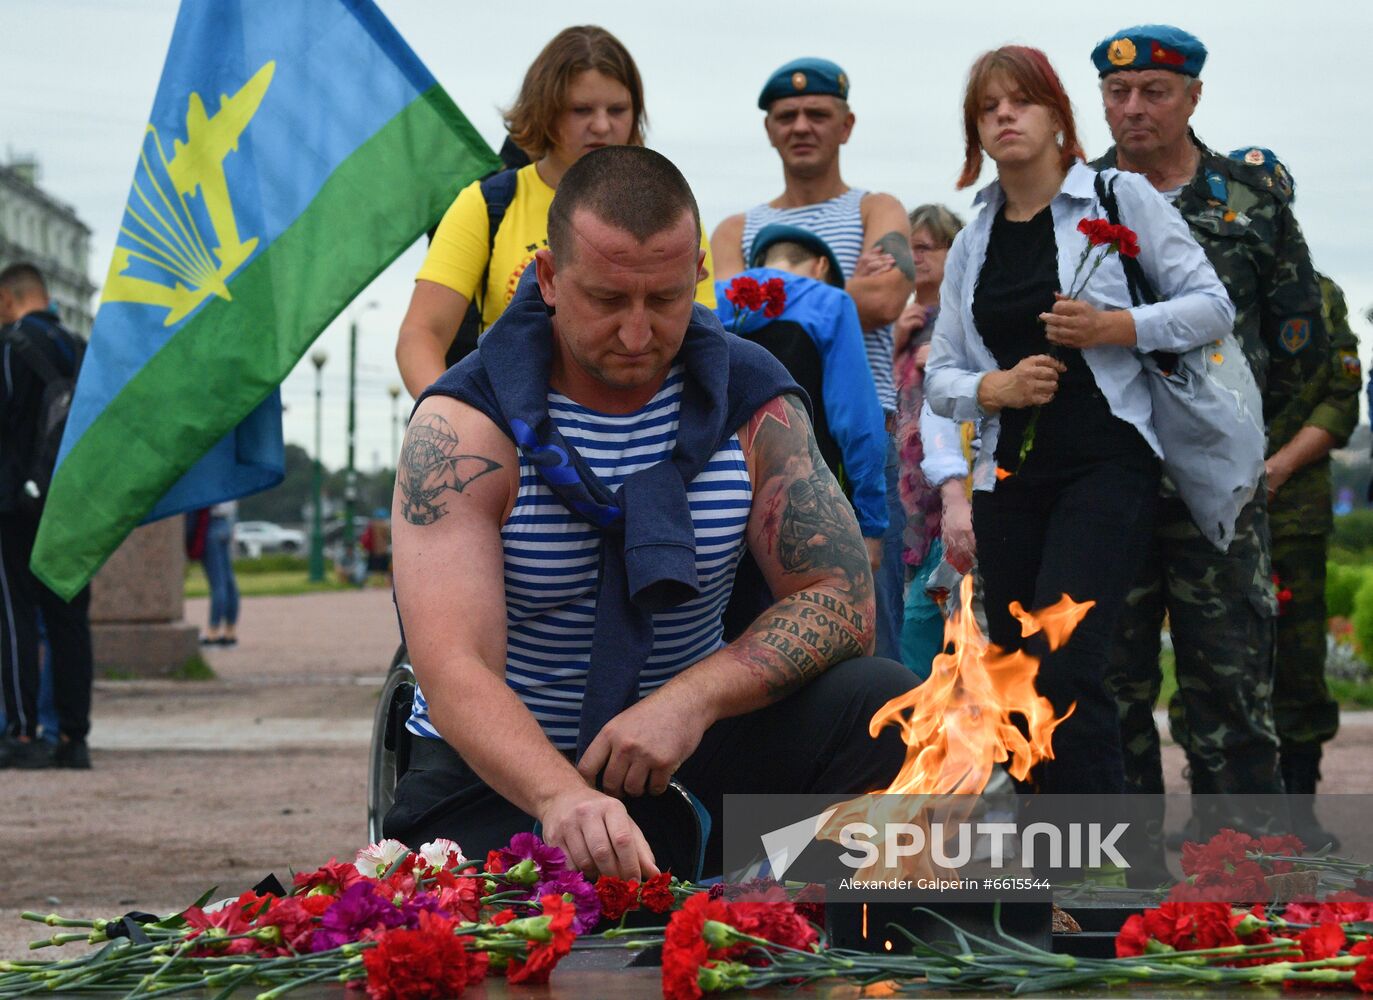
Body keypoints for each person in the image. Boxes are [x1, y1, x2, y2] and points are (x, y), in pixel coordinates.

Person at [383, 146, 914, 878]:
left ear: (698, 272)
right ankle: (704, 892)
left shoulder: (751, 396)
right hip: (502, 779)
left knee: (887, 703)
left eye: (664, 300)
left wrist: (688, 701)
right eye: (606, 300)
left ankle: (771, 908)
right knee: (513, 942)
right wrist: (562, 797)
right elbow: (453, 668)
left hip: (681, 754)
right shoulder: (464, 427)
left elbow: (841, 601)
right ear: (547, 278)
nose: (638, 334)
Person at [925, 46, 1235, 795]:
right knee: (1014, 676)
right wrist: (994, 387)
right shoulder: (974, 237)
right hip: (1006, 475)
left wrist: (1113, 327)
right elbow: (940, 379)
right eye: (987, 107)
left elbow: (1211, 305)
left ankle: (1098, 886)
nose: (1003, 115)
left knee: (1065, 662)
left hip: (1105, 464)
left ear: (1057, 117)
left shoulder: (1115, 197)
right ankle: (1042, 890)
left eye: (1020, 100)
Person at [1089, 26, 1330, 807]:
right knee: (1107, 686)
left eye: (1153, 92)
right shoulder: (1070, 198)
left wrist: (1235, 437)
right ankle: (1116, 878)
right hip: (1105, 482)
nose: (1133, 108)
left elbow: (1301, 349)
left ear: (1193, 96)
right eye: (1117, 93)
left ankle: (1239, 866)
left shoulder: (1248, 205)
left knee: (1229, 684)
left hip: (1216, 495)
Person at [711, 57, 914, 661]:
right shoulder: (733, 228)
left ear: (846, 124)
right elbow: (718, 319)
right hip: (755, 441)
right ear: (769, 129)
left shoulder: (877, 209)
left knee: (872, 620)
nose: (801, 125)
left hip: (863, 441)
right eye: (787, 115)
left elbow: (888, 296)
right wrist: (831, 298)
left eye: (818, 113)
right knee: (754, 621)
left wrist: (773, 293)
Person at [395, 25, 716, 398]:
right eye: (581, 110)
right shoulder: (486, 205)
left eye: (617, 110)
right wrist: (450, 420)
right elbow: (421, 335)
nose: (601, 125)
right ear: (543, 111)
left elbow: (706, 339)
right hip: (513, 430)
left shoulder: (671, 209)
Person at [1226, 148, 1362, 844]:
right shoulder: (1206, 287)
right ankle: (1219, 809)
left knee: (1297, 656)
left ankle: (1298, 808)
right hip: (1210, 506)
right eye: (1244, 202)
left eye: (1266, 202)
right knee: (1217, 658)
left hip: (1292, 510)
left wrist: (1275, 468)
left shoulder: (1322, 294)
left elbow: (1341, 397)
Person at [713, 225, 888, 637]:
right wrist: (872, 522)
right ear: (822, 265)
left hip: (720, 499)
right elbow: (856, 418)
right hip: (805, 501)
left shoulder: (714, 299)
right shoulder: (830, 301)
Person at [0, 263, 93, 769]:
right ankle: (73, 738)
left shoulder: (10, 346)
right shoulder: (79, 348)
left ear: (8, 299)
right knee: (69, 617)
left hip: (15, 501)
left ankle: (21, 730)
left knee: (15, 612)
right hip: (72, 501)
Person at [891, 205, 973, 677]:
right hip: (908, 499)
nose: (913, 257)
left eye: (925, 247)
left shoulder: (963, 319)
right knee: (914, 621)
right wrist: (892, 341)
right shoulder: (896, 322)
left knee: (947, 623)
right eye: (907, 247)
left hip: (955, 496)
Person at [200, 500, 240, 645]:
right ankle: (230, 630)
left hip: (210, 523)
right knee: (228, 581)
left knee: (218, 583)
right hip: (225, 523)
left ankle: (213, 632)